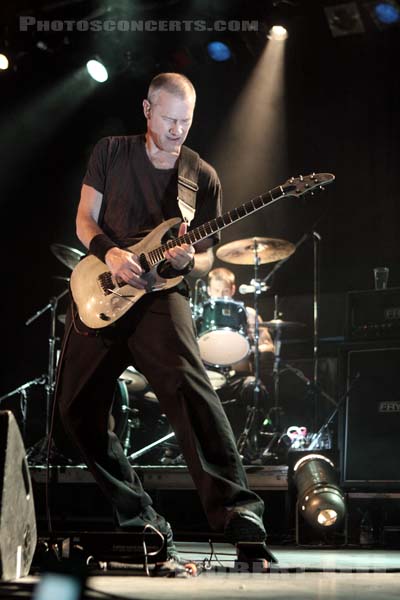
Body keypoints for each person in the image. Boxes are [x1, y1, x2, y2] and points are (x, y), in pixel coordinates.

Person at [55, 72, 270, 568]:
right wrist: (110, 255)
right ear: (148, 111)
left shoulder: (202, 176)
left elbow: (206, 259)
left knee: (190, 391)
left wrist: (184, 261)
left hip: (160, 296)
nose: (178, 130)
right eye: (169, 119)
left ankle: (241, 514)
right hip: (104, 287)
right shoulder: (110, 151)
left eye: (186, 120)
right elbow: (84, 220)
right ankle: (142, 520)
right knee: (75, 414)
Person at [205, 268, 274, 456]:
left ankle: (249, 447)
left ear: (233, 289)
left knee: (255, 388)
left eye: (225, 291)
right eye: (216, 291)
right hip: (206, 378)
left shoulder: (248, 314)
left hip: (239, 377)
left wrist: (251, 346)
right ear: (209, 290)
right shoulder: (200, 315)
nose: (221, 295)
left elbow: (268, 346)